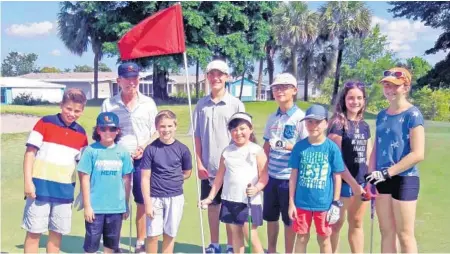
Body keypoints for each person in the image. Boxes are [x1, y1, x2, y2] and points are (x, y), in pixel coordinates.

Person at [100, 62, 158, 253]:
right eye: (127, 78)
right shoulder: (109, 104)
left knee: (142, 200)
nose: (131, 82)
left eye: (134, 78)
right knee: (116, 200)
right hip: (117, 158)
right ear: (119, 80)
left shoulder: (149, 103)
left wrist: (144, 147)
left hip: (144, 157)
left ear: (139, 80)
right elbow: (104, 131)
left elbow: (156, 131)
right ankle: (113, 243)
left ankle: (140, 242)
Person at [22, 88, 88, 253]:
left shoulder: (81, 133)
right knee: (34, 233)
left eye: (77, 111)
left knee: (56, 234)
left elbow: (82, 167)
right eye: (68, 109)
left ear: (82, 111)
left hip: (65, 192)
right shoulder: (45, 122)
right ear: (61, 105)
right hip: (39, 189)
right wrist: (28, 182)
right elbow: (30, 154)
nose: (72, 113)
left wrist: (82, 191)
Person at [366, 67, 425, 253]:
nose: (389, 90)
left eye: (394, 86)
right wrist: (370, 177)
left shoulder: (413, 114)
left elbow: (418, 153)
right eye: (386, 85)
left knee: (405, 235)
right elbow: (377, 146)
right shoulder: (382, 115)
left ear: (406, 87)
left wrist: (387, 172)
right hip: (382, 178)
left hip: (405, 179)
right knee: (386, 232)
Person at [193, 59, 245, 253]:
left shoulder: (236, 104)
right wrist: (198, 162)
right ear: (207, 77)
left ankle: (231, 245)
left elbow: (243, 136)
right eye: (212, 74)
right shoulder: (201, 105)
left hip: (231, 168)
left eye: (220, 74)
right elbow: (197, 136)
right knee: (213, 206)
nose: (216, 78)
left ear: (227, 77)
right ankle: (214, 244)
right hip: (208, 166)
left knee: (230, 206)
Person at [199, 112, 268, 253]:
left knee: (251, 236)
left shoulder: (257, 150)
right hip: (229, 199)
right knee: (236, 235)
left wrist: (256, 188)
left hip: (248, 202)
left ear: (251, 129)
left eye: (242, 128)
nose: (238, 133)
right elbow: (219, 179)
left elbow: (264, 176)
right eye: (234, 129)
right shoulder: (227, 152)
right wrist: (210, 198)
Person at [288, 104, 345, 254]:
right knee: (301, 237)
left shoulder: (332, 148)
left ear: (326, 123)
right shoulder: (299, 147)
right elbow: (293, 175)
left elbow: (337, 176)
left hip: (324, 204)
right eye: (309, 122)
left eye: (318, 122)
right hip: (301, 202)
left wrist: (336, 202)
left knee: (324, 239)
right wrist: (291, 202)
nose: (313, 126)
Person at [262, 73, 308, 253]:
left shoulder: (300, 118)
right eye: (276, 87)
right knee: (271, 218)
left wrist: (285, 145)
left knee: (289, 220)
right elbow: (266, 147)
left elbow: (306, 149)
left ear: (294, 90)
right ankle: (271, 251)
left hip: (290, 179)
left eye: (284, 87)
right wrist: (262, 173)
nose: (279, 90)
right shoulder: (272, 117)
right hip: (272, 177)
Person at [77, 112, 134, 253]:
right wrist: (87, 206)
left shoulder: (123, 152)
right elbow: (84, 178)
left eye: (112, 129)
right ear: (98, 130)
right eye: (103, 128)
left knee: (112, 245)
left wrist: (126, 204)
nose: (108, 132)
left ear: (118, 131)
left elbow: (127, 180)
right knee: (91, 245)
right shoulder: (91, 151)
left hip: (116, 207)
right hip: (95, 208)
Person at [327, 81, 373, 253]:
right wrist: (353, 184)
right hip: (343, 184)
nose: (355, 101)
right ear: (344, 99)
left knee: (357, 223)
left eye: (359, 98)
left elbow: (368, 155)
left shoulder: (364, 125)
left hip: (361, 184)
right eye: (351, 97)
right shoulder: (337, 124)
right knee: (336, 224)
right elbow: (336, 161)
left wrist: (368, 182)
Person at [139, 110, 193, 253]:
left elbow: (187, 172)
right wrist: (148, 204)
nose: (166, 130)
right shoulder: (151, 149)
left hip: (175, 197)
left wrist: (174, 179)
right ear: (157, 128)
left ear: (175, 126)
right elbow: (145, 178)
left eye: (170, 126)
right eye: (162, 126)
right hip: (155, 197)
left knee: (170, 233)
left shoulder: (182, 149)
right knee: (152, 234)